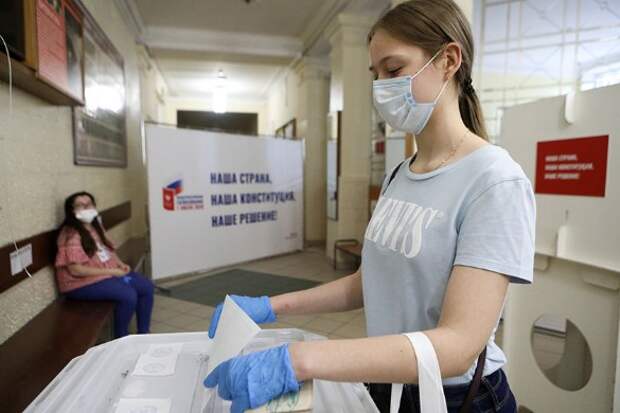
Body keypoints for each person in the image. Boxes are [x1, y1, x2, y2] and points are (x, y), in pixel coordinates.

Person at [203, 1, 535, 412]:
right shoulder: (401, 174)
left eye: (393, 70)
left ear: (448, 60)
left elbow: (458, 346)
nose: (381, 87)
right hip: (389, 385)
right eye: (375, 74)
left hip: (456, 398)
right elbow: (368, 283)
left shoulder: (494, 180)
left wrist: (299, 360)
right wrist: (272, 305)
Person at [55, 191, 154, 338]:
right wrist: (113, 272)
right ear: (71, 210)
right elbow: (76, 270)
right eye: (80, 205)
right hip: (79, 283)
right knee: (128, 295)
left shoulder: (94, 226)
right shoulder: (71, 234)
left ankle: (143, 334)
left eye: (89, 204)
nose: (86, 208)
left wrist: (120, 264)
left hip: (104, 273)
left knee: (146, 286)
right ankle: (121, 339)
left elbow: (107, 249)